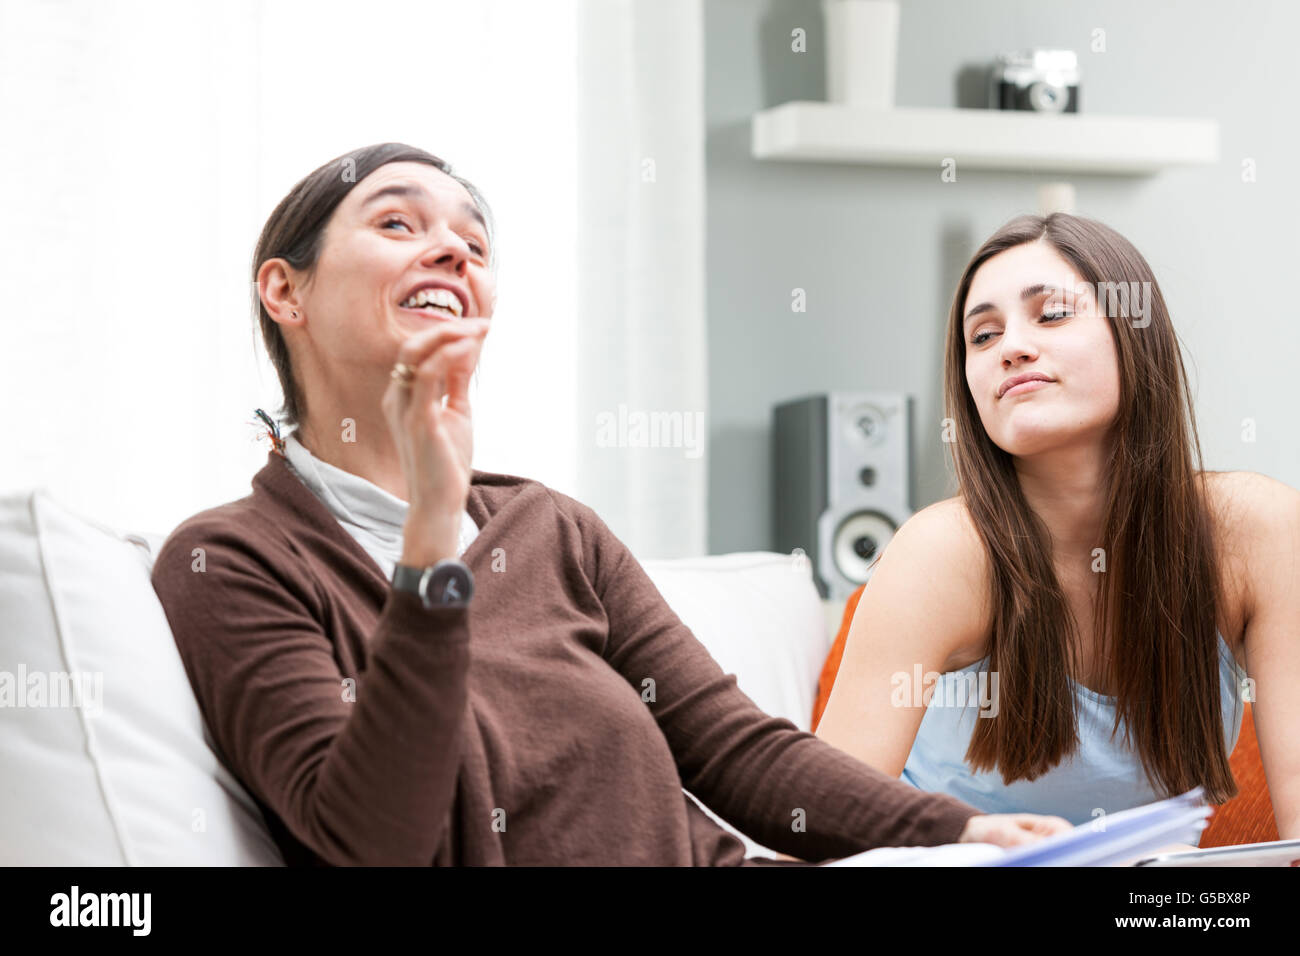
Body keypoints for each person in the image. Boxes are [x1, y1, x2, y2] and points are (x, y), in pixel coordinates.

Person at [149, 143, 1072, 866]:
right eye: (398, 223)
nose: (451, 252)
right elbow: (371, 841)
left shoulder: (549, 529)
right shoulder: (229, 563)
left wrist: (958, 835)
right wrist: (431, 535)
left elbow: (738, 751)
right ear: (284, 291)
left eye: (474, 244)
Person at [815, 213, 1300, 846]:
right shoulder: (941, 553)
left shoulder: (1256, 530)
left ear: (1135, 336)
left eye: (1050, 316)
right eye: (983, 335)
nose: (1010, 347)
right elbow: (818, 832)